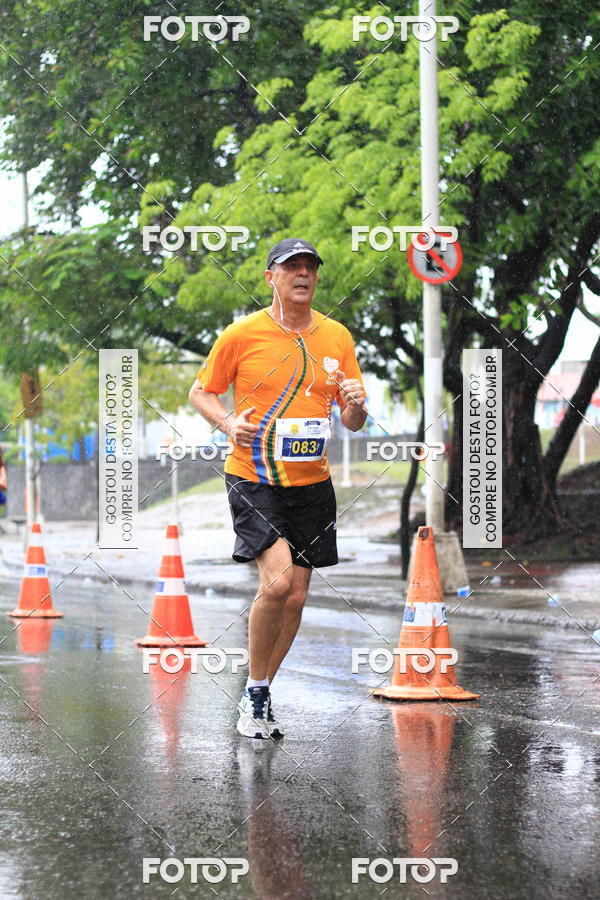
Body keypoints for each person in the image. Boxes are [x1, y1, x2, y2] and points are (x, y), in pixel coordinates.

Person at [189, 238, 367, 740]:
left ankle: (260, 688)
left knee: (296, 596)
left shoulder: (336, 338)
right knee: (279, 582)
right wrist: (228, 424)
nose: (303, 274)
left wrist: (354, 404)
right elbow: (201, 390)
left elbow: (352, 421)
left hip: (313, 484)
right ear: (271, 276)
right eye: (292, 267)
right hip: (254, 476)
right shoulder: (243, 334)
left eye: (311, 266)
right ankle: (255, 692)